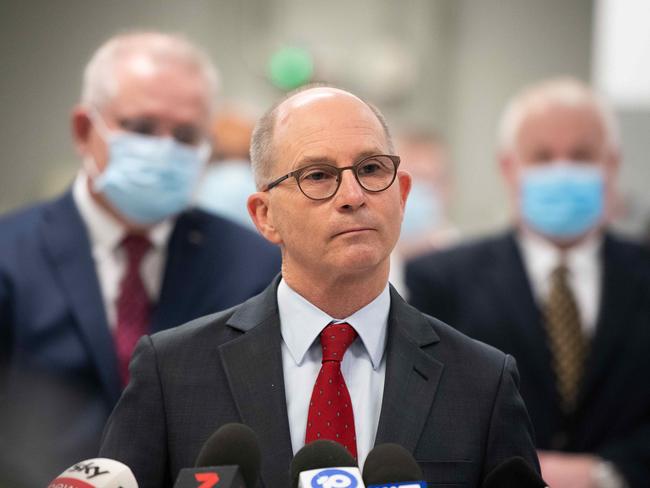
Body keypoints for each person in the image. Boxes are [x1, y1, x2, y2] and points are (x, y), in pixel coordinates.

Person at [100, 85, 539, 488]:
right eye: (318, 176)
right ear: (264, 215)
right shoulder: (172, 371)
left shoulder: (482, 383)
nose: (353, 195)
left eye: (371, 168)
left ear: (401, 195)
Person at [0, 31, 280, 485]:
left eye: (186, 134)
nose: (164, 149)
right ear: (84, 129)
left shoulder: (251, 263)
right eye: (142, 128)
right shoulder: (10, 256)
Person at [406, 77, 650, 488]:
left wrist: (605, 472)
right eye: (541, 156)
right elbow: (426, 412)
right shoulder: (441, 280)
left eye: (581, 155)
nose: (561, 169)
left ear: (612, 164)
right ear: (509, 167)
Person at [389, 129, 460, 296]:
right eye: (405, 180)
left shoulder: (467, 268)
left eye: (426, 179)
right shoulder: (366, 267)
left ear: (447, 188)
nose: (413, 191)